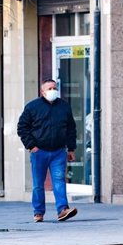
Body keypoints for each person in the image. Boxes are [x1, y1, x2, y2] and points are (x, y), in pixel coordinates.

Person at [17, 79, 79, 223]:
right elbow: (22, 128)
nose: (53, 91)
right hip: (39, 152)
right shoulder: (33, 107)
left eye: (55, 88)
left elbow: (71, 128)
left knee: (59, 181)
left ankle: (63, 210)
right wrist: (31, 146)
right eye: (50, 88)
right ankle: (38, 212)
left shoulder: (64, 107)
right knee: (38, 184)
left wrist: (71, 148)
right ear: (42, 92)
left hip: (58, 151)